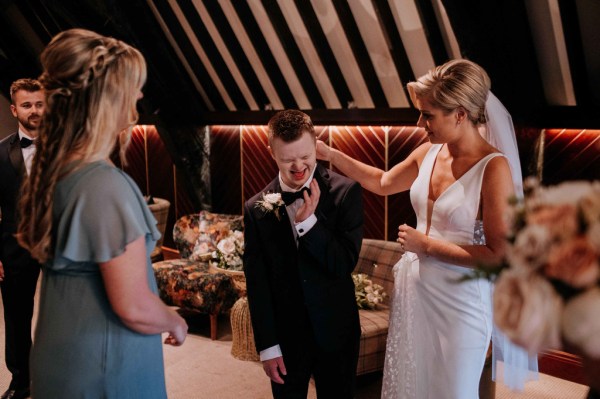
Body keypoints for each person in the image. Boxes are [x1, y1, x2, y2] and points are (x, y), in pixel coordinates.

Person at [317, 59, 536, 398]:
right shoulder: (428, 152)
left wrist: (427, 246)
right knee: (414, 387)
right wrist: (329, 153)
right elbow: (383, 181)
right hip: (414, 295)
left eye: (428, 114)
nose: (420, 123)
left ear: (460, 114)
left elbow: (499, 254)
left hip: (461, 304)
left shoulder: (494, 169)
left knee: (453, 391)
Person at [15, 28, 188, 398]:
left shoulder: (55, 170)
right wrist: (173, 320)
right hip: (104, 367)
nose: (140, 95)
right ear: (106, 99)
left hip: (59, 355)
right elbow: (133, 305)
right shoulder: (105, 186)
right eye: (133, 86)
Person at [243, 109, 364, 398]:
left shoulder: (346, 193)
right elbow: (257, 282)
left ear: (316, 144)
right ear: (271, 152)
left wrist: (309, 224)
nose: (299, 166)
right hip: (285, 338)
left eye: (306, 156)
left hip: (337, 332)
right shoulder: (256, 207)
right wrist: (268, 347)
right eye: (287, 159)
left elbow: (343, 263)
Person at [0, 78, 45, 399]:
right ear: (15, 109)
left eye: (39, 103)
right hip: (14, 246)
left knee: (66, 313)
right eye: (27, 105)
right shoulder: (0, 152)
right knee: (16, 316)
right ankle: (21, 381)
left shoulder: (69, 147)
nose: (34, 110)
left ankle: (63, 374)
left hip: (62, 245)